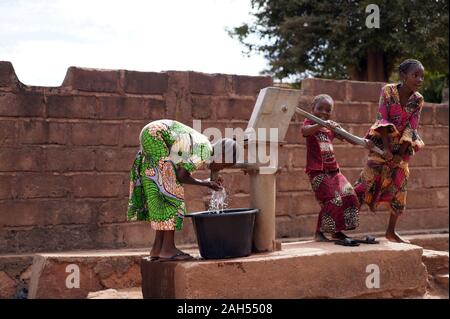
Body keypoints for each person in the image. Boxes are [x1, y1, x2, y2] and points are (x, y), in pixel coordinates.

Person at [127, 119, 238, 260]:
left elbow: (180, 172)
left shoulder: (200, 145)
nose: (221, 168)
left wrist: (206, 182)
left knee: (162, 194)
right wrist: (206, 184)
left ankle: (157, 249)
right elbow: (181, 176)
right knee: (171, 191)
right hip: (156, 135)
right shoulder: (205, 150)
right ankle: (168, 249)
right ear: (221, 155)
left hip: (152, 133)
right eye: (224, 165)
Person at [353, 59, 425, 243]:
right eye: (415, 75)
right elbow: (382, 120)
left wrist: (399, 155)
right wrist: (385, 149)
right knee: (364, 184)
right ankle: (341, 226)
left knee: (401, 185)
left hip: (401, 149)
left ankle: (391, 232)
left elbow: (411, 128)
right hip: (380, 145)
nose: (419, 79)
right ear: (403, 76)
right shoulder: (388, 91)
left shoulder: (417, 100)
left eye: (421, 76)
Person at [301, 94, 374, 244]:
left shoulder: (331, 127)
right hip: (318, 172)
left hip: (334, 171)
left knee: (350, 196)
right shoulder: (310, 122)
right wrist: (321, 124)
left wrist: (364, 142)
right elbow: (305, 131)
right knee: (332, 200)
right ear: (312, 109)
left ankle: (337, 232)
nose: (323, 112)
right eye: (320, 108)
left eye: (327, 110)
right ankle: (319, 233)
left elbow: (349, 138)